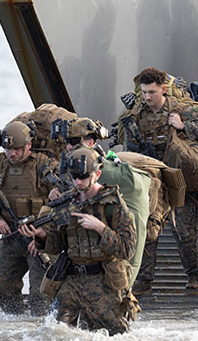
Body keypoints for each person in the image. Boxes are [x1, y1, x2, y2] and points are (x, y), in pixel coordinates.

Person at [119, 67, 198, 293]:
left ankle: (195, 275)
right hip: (151, 180)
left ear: (164, 90)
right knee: (147, 229)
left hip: (177, 177)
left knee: (184, 231)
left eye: (152, 92)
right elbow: (129, 149)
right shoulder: (137, 115)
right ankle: (144, 280)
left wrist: (184, 126)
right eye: (144, 92)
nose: (148, 97)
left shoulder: (181, 109)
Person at [20, 147, 137, 335]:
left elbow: (127, 249)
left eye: (83, 176)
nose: (78, 182)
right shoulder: (65, 203)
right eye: (74, 177)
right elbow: (58, 246)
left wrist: (100, 228)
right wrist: (41, 236)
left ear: (97, 174)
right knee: (56, 334)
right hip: (71, 281)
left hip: (103, 283)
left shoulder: (113, 204)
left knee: (119, 337)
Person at [48, 117, 151, 289]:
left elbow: (137, 187)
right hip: (91, 221)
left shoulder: (107, 170)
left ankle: (125, 294)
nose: (68, 146)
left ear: (90, 142)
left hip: (128, 206)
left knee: (129, 261)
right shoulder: (74, 162)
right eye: (67, 142)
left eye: (73, 142)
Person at [0, 121, 57, 315]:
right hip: (12, 237)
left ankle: (41, 332)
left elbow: (62, 204)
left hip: (40, 239)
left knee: (41, 298)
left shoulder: (45, 166)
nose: (11, 154)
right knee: (3, 292)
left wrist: (43, 234)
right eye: (7, 149)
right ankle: (17, 327)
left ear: (28, 145)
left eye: (17, 150)